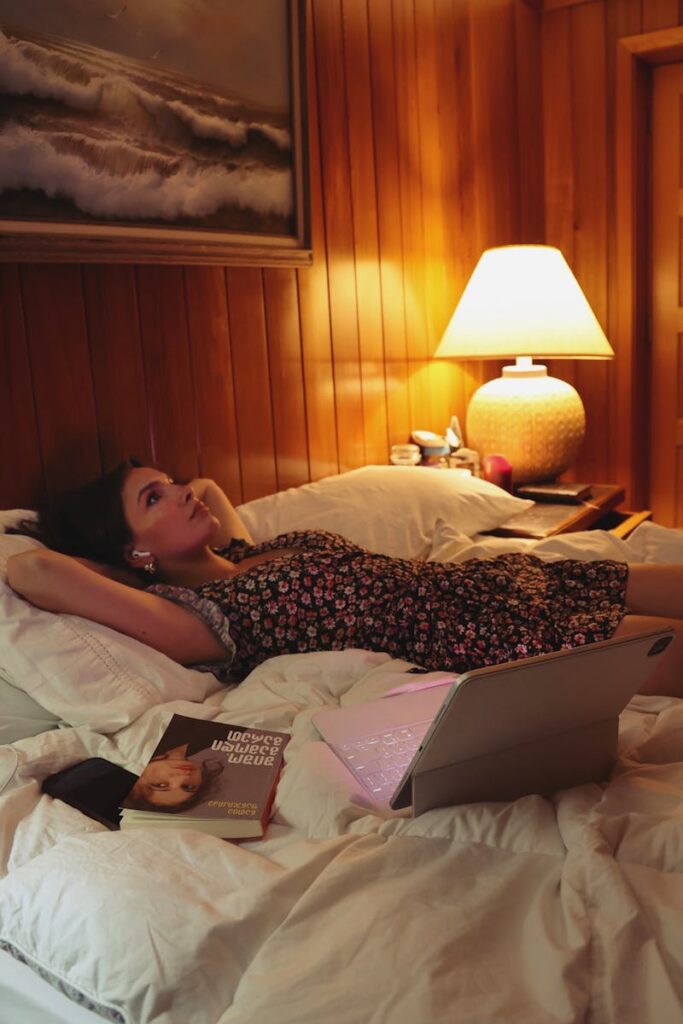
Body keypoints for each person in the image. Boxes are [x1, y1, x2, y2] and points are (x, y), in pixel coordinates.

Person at [7, 460, 683, 696]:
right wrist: (105, 566)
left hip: (496, 582)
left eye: (168, 479)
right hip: (488, 641)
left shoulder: (245, 552)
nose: (183, 491)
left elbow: (210, 487)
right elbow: (34, 568)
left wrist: (180, 505)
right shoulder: (202, 621)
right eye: (152, 499)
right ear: (132, 553)